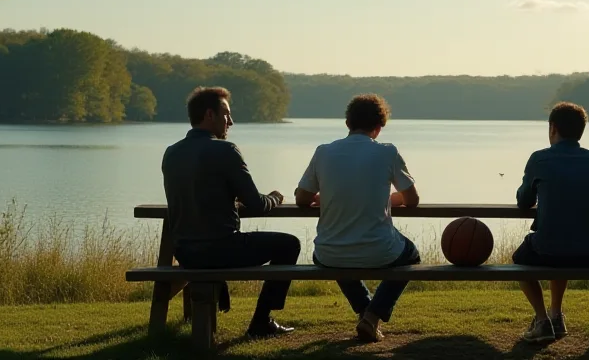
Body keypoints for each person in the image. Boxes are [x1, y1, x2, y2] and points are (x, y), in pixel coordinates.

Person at [161, 86, 300, 339]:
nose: (231, 122)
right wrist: (274, 198)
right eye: (227, 115)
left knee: (226, 245)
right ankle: (261, 321)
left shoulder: (172, 152)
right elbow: (257, 205)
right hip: (219, 250)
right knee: (289, 245)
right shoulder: (226, 151)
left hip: (185, 253)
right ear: (210, 115)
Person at [294, 93, 421, 343]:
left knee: (338, 256)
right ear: (379, 127)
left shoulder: (323, 152)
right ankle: (371, 316)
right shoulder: (387, 152)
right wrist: (386, 198)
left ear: (347, 124)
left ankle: (365, 313)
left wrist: (328, 195)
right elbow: (412, 200)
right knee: (412, 256)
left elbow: (301, 199)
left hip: (328, 253)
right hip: (380, 251)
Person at [513, 101, 589, 342]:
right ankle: (556, 314)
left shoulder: (539, 159)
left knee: (520, 260)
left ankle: (542, 320)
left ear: (552, 128)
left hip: (551, 250)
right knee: (561, 243)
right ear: (581, 130)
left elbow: (524, 201)